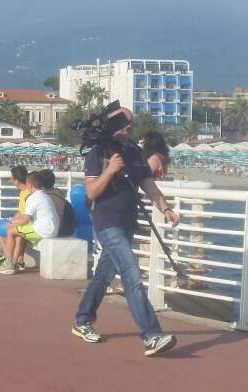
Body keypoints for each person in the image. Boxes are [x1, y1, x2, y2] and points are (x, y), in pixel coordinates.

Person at [71, 107, 181, 357]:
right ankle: (151, 335)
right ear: (111, 124)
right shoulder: (98, 152)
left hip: (127, 221)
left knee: (104, 274)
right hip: (107, 222)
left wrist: (166, 209)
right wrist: (110, 170)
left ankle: (82, 319)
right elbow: (91, 193)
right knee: (131, 272)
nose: (129, 126)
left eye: (131, 121)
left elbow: (149, 185)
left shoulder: (134, 151)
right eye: (123, 121)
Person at [0, 171, 59, 274]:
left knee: (11, 231)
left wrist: (10, 225)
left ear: (30, 185)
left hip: (43, 230)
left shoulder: (33, 198)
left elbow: (25, 219)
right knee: (18, 233)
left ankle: (8, 264)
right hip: (51, 229)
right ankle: (14, 263)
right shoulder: (44, 195)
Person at [0, 166, 29, 257]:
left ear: (17, 180)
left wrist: (12, 222)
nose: (11, 181)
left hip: (28, 221)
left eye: (12, 179)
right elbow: (21, 211)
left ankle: (9, 257)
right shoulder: (23, 191)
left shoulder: (27, 193)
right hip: (24, 218)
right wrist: (12, 219)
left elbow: (26, 216)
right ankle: (7, 255)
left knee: (9, 230)